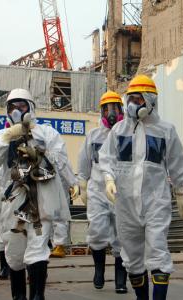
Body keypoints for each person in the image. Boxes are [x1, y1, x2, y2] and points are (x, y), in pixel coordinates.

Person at [99, 75, 183, 300]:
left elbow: (177, 162)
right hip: (125, 204)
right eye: (131, 98)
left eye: (139, 100)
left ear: (150, 101)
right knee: (132, 257)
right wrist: (109, 180)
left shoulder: (165, 130)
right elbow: (106, 158)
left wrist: (180, 192)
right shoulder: (119, 131)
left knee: (158, 252)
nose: (133, 104)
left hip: (155, 201)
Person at [0, 88, 78, 300]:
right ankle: (18, 296)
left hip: (41, 197)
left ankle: (37, 296)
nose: (17, 111)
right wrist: (9, 136)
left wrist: (41, 154)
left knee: (37, 248)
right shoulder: (1, 136)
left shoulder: (46, 133)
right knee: (15, 254)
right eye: (12, 107)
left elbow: (61, 159)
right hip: (13, 200)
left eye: (22, 106)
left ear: (31, 108)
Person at [77, 91, 127, 293]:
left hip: (121, 192)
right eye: (107, 109)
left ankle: (120, 278)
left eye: (115, 108)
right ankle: (99, 269)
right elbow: (84, 160)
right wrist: (82, 183)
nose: (111, 113)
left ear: (121, 110)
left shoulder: (128, 133)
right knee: (97, 231)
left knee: (122, 235)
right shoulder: (94, 135)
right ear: (101, 111)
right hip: (98, 190)